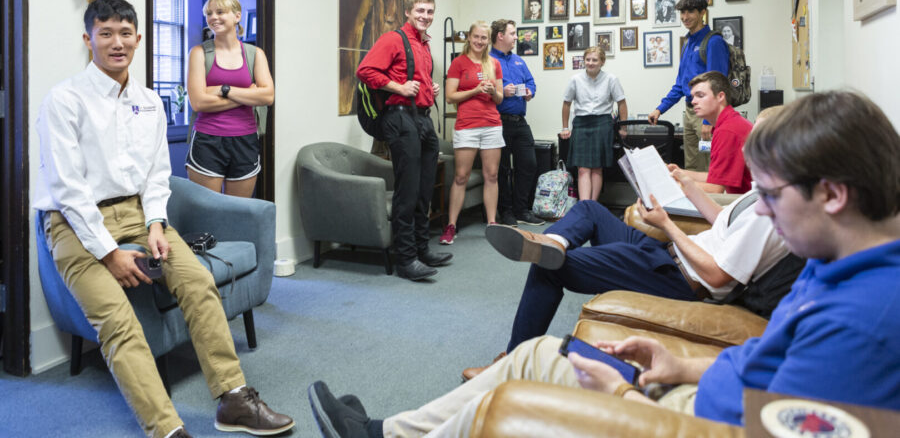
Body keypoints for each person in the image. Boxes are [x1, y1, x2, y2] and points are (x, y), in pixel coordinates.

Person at [308, 91, 900, 436]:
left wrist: (624, 397)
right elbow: (771, 366)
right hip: (699, 385)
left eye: (771, 197)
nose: (764, 213)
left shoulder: (864, 323)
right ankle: (388, 432)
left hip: (687, 418)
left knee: (530, 365)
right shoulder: (837, 260)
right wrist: (684, 364)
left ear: (833, 194)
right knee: (541, 346)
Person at [34, 0, 293, 438]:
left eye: (125, 34)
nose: (117, 43)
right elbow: (68, 189)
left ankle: (232, 399)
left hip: (140, 215)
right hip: (75, 225)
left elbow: (157, 175)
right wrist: (109, 253)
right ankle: (166, 429)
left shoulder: (150, 101)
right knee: (118, 324)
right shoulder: (64, 99)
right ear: (88, 39)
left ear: (137, 39)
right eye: (105, 33)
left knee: (199, 284)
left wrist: (156, 224)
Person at [476, 103, 785, 374]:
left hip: (679, 277)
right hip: (669, 254)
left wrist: (667, 224)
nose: (747, 146)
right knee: (589, 209)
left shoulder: (771, 212)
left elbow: (717, 276)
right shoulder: (762, 191)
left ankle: (511, 364)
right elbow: (723, 223)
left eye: (757, 139)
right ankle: (552, 241)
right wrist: (686, 184)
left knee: (547, 268)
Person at [357, 0, 452, 281]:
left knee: (425, 190)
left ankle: (423, 249)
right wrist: (398, 88)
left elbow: (413, 79)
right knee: (407, 191)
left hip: (423, 119)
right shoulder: (393, 39)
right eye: (420, 10)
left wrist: (428, 90)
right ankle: (406, 259)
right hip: (399, 119)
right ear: (408, 12)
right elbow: (365, 71)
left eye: (430, 11)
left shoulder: (423, 44)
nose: (425, 16)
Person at [186, 0, 274, 197]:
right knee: (208, 210)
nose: (213, 17)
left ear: (237, 16)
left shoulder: (255, 54)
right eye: (209, 13)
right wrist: (248, 96)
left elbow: (268, 96)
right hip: (208, 140)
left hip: (245, 140)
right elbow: (198, 102)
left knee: (238, 212)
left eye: (220, 12)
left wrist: (224, 90)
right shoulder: (199, 53)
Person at [440, 21, 504, 244]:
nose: (479, 41)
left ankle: (492, 223)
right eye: (476, 37)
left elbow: (500, 98)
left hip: (491, 125)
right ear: (469, 37)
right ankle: (451, 226)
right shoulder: (458, 63)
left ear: (489, 40)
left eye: (483, 38)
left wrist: (491, 92)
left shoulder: (494, 63)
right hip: (467, 125)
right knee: (460, 177)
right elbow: (450, 97)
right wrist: (476, 90)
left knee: (492, 175)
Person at [648, 0, 729, 172]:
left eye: (690, 12)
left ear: (702, 13)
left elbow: (719, 83)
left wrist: (709, 120)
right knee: (692, 167)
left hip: (708, 115)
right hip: (690, 113)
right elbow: (681, 84)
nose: (685, 17)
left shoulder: (713, 41)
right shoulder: (687, 43)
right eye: (682, 12)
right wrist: (660, 108)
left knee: (710, 167)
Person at [490, 19, 543, 228]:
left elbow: (531, 82)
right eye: (512, 33)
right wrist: (503, 90)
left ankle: (522, 209)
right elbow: (484, 85)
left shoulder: (519, 60)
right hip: (497, 122)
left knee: (528, 164)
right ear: (500, 36)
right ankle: (506, 211)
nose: (516, 37)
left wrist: (530, 91)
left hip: (520, 122)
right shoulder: (487, 60)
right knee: (502, 170)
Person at [667, 71, 752, 194]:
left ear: (720, 97)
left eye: (700, 95)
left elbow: (715, 189)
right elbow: (717, 177)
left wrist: (672, 184)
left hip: (745, 206)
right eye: (693, 97)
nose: (693, 101)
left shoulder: (728, 131)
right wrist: (680, 173)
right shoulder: (729, 123)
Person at [561, 46, 627, 201]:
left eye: (594, 60)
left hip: (603, 124)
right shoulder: (575, 80)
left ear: (602, 62)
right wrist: (565, 127)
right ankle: (585, 206)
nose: (590, 63)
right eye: (588, 59)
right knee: (582, 168)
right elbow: (566, 104)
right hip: (581, 124)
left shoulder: (611, 79)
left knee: (597, 168)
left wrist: (623, 127)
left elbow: (622, 103)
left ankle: (593, 204)